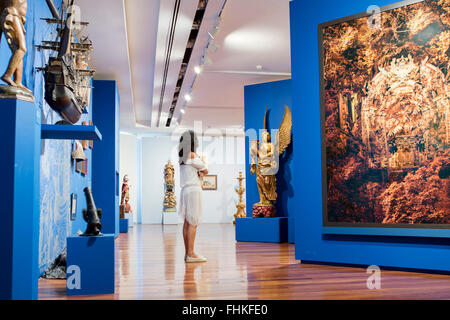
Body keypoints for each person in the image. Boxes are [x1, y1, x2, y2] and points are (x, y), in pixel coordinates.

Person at [178, 130, 208, 263]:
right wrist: (200, 172)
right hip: (193, 190)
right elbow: (205, 169)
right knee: (193, 222)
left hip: (185, 190)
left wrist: (199, 172)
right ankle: (191, 253)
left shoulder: (182, 157)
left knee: (187, 222)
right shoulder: (192, 154)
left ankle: (187, 253)